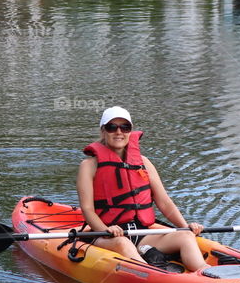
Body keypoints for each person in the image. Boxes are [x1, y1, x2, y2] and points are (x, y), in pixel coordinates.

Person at [76, 106, 209, 272]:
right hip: (106, 236)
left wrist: (186, 227)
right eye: (112, 127)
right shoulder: (89, 166)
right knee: (122, 242)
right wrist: (105, 230)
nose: (119, 132)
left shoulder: (143, 162)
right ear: (103, 131)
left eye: (125, 127)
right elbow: (87, 209)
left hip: (142, 235)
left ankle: (207, 272)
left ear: (130, 131)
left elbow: (164, 202)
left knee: (185, 237)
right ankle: (152, 273)